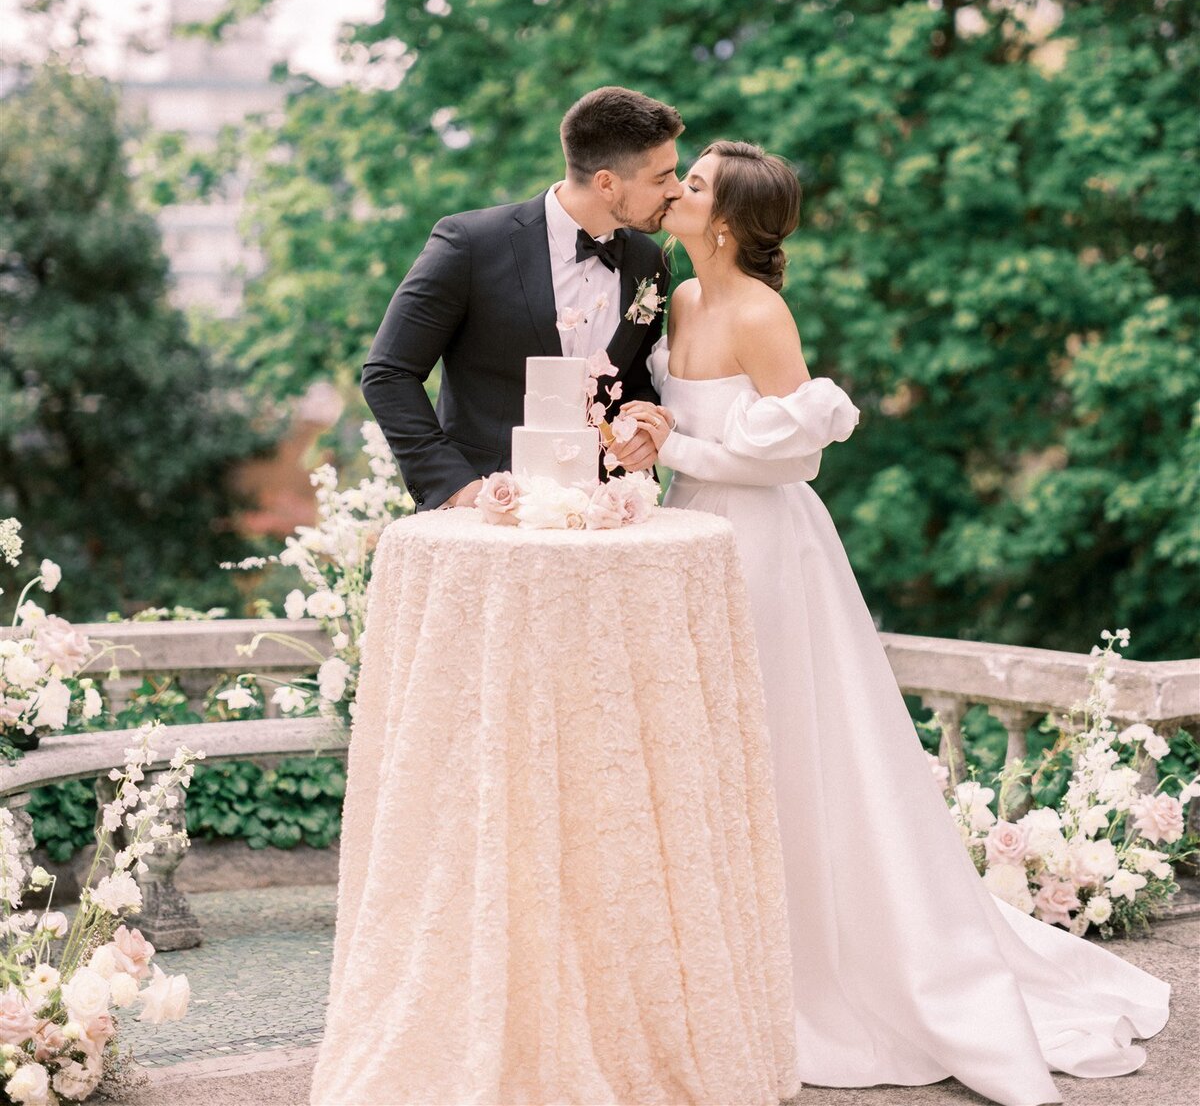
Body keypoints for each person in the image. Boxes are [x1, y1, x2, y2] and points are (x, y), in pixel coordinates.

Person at [622, 139, 1171, 1106]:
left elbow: (795, 459)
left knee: (784, 744)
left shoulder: (758, 309)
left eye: (694, 184)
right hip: (690, 538)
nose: (676, 190)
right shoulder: (680, 298)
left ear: (727, 223)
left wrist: (683, 439)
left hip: (763, 548)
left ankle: (831, 971)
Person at [360, 86, 683, 510]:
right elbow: (388, 373)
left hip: (609, 512)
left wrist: (642, 428)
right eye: (662, 177)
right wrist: (456, 487)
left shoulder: (649, 260)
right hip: (491, 512)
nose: (676, 190)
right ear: (606, 183)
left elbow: (633, 376)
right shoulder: (469, 245)